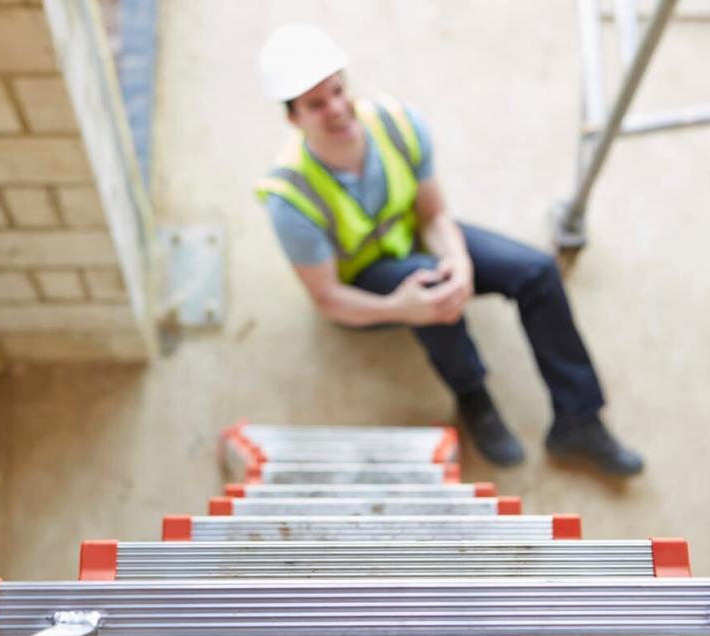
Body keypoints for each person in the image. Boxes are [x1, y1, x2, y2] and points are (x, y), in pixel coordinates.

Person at [254, 24, 643, 475]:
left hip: (417, 240)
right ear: (293, 118)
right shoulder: (291, 199)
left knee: (536, 271)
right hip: (365, 283)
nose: (338, 109)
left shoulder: (398, 125)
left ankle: (579, 419)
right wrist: (400, 308)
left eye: (339, 91)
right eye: (316, 105)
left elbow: (434, 215)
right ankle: (473, 396)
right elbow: (327, 298)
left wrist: (459, 261)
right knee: (431, 289)